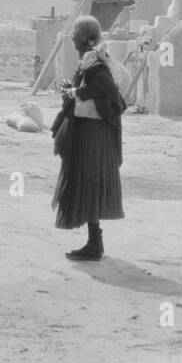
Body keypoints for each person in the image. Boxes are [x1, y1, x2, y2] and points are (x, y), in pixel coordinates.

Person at [50, 16, 127, 261]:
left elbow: (105, 88)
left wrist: (75, 91)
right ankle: (95, 242)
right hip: (89, 133)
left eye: (75, 33)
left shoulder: (95, 62)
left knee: (90, 184)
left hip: (94, 135)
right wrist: (71, 92)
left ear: (83, 37)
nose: (72, 37)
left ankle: (95, 244)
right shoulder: (90, 60)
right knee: (88, 184)